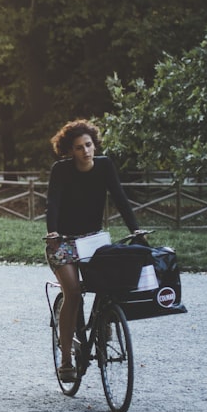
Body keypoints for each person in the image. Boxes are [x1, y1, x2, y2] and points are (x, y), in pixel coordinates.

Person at [44, 119, 143, 383]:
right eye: (79, 147)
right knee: (73, 292)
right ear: (70, 150)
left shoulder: (105, 165)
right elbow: (52, 203)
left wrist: (136, 230)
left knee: (112, 280)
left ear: (94, 145)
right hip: (63, 241)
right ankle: (66, 359)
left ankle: (105, 319)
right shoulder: (61, 170)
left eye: (88, 145)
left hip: (92, 240)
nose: (86, 151)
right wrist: (52, 232)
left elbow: (120, 199)